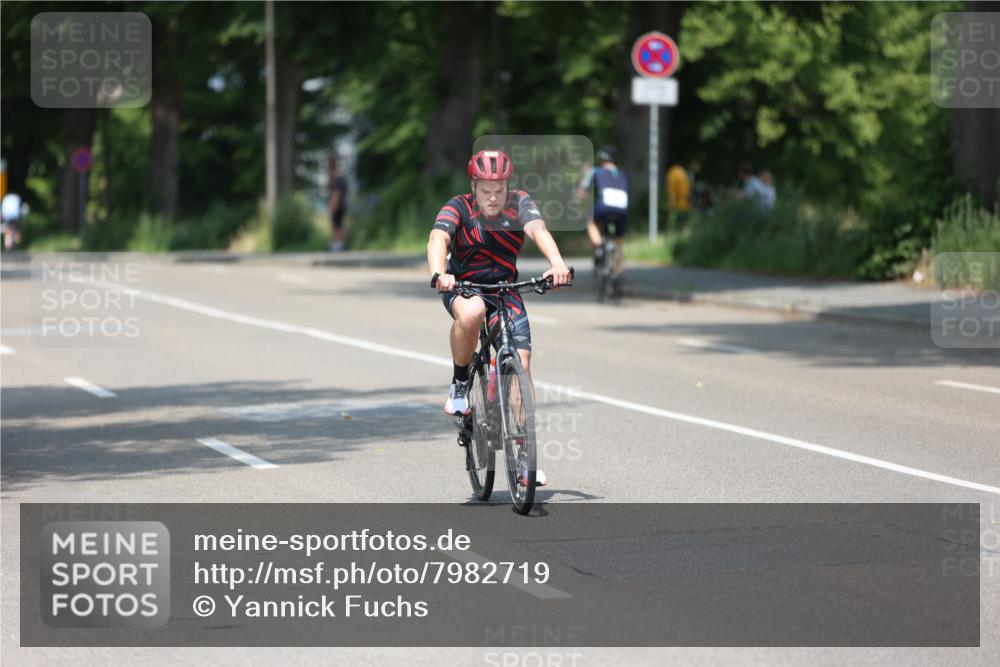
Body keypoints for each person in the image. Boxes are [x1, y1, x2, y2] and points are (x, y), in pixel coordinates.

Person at [428, 149, 572, 486]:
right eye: (486, 191)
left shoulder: (520, 202)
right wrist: (439, 273)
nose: (493, 198)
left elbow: (538, 229)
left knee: (521, 363)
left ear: (508, 186)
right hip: (464, 286)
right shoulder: (458, 206)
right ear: (473, 185)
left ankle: (524, 457)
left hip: (506, 290)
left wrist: (557, 264)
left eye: (499, 190)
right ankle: (461, 383)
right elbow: (438, 237)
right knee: (473, 311)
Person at [578, 146, 629, 276]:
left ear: (602, 159)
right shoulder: (623, 174)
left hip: (604, 207)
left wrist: (585, 176)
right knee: (619, 240)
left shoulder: (596, 171)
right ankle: (618, 273)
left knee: (591, 221)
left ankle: (599, 246)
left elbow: (582, 193)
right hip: (622, 209)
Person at [327, 156, 349, 251]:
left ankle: (337, 245)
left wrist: (333, 205)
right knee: (340, 224)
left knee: (336, 225)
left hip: (337, 205)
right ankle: (341, 244)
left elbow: (336, 193)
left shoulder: (336, 177)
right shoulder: (341, 176)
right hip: (342, 204)